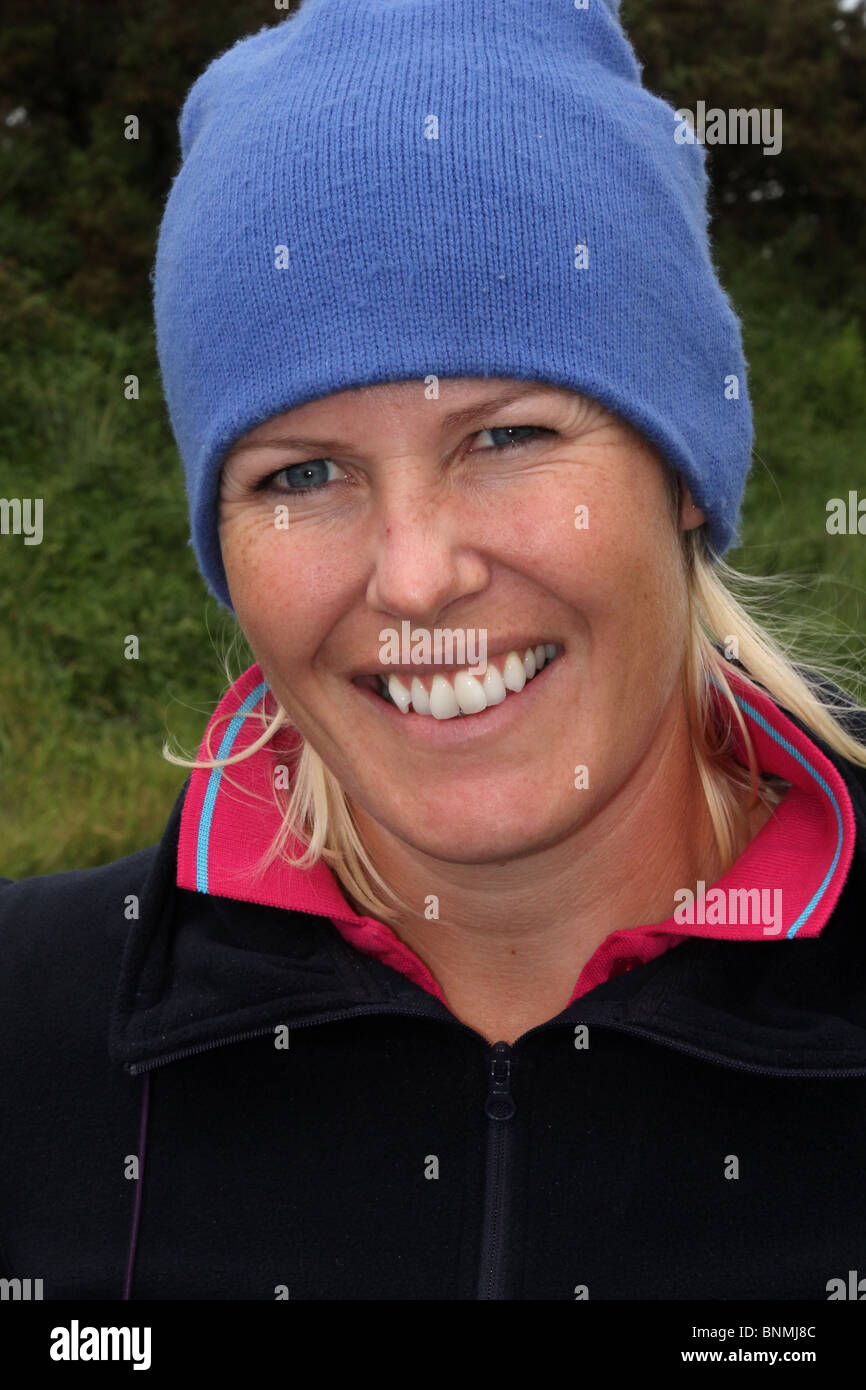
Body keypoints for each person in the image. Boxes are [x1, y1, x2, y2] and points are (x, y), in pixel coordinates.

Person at [2, 0, 866, 1304]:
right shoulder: (29, 1026)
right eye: (300, 470)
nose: (413, 573)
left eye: (505, 436)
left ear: (681, 470)